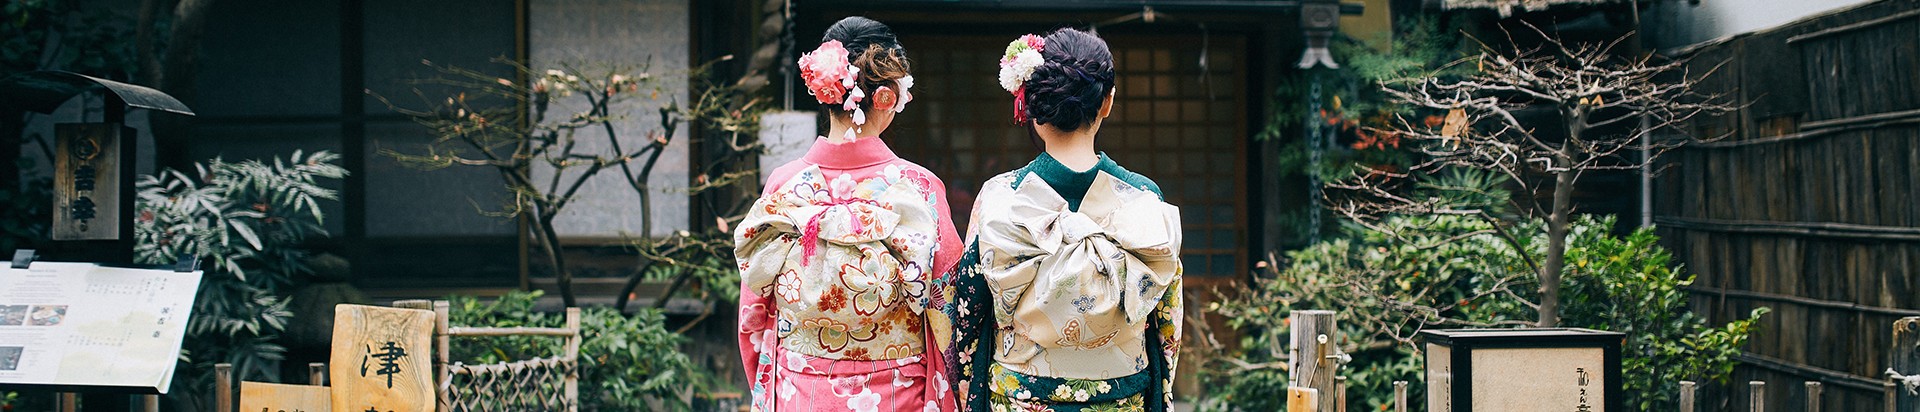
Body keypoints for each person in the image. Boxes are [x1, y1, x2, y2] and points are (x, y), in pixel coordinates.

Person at [948, 28, 1184, 411]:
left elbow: (969, 310)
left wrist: (966, 380)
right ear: (1107, 102)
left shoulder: (1001, 196)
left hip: (1022, 398)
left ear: (1031, 107)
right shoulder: (1143, 198)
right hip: (1120, 397)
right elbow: (1167, 319)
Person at [733, 16, 961, 412]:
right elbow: (949, 306)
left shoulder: (784, 185)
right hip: (896, 393)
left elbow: (754, 312)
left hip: (798, 390)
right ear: (887, 96)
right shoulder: (918, 186)